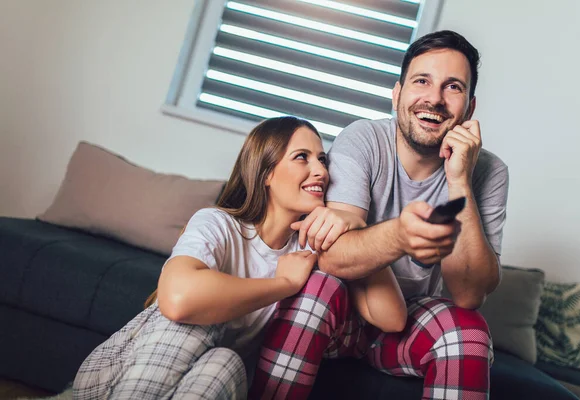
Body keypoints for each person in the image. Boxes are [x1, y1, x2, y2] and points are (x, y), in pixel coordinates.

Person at [250, 31, 509, 399]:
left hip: (412, 320)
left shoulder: (490, 172)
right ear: (397, 93)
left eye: (452, 87)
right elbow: (332, 253)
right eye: (422, 81)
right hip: (346, 307)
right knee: (318, 287)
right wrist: (400, 235)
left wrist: (460, 180)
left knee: (469, 331)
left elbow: (468, 294)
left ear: (469, 108)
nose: (434, 98)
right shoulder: (363, 139)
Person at [72, 116, 407, 400]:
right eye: (302, 157)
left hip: (210, 384)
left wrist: (357, 224)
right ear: (266, 174)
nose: (320, 171)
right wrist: (283, 284)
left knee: (226, 363)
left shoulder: (312, 249)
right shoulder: (218, 224)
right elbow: (178, 300)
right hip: (117, 380)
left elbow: (392, 318)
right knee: (200, 323)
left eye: (323, 159)